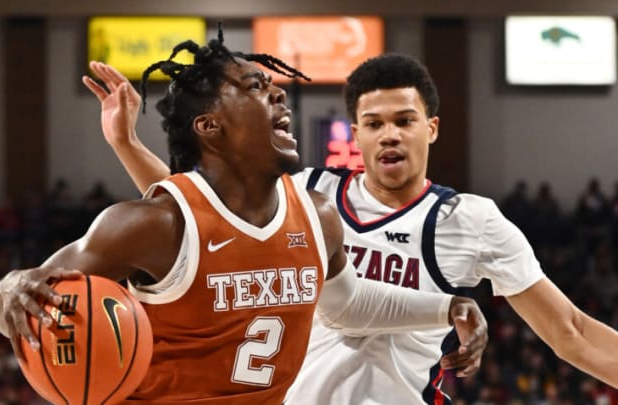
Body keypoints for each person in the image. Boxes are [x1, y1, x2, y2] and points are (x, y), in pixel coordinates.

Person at [0, 33, 488, 405]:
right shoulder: (150, 225)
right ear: (211, 127)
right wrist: (9, 288)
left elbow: (348, 305)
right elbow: (23, 299)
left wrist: (448, 307)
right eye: (255, 87)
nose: (278, 96)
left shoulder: (316, 217)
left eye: (274, 88)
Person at [100, 51, 618, 403]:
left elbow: (571, 333)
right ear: (357, 133)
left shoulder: (472, 220)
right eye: (374, 123)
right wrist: (126, 143)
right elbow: (197, 213)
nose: (389, 135)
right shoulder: (307, 193)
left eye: (404, 120)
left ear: (431, 128)